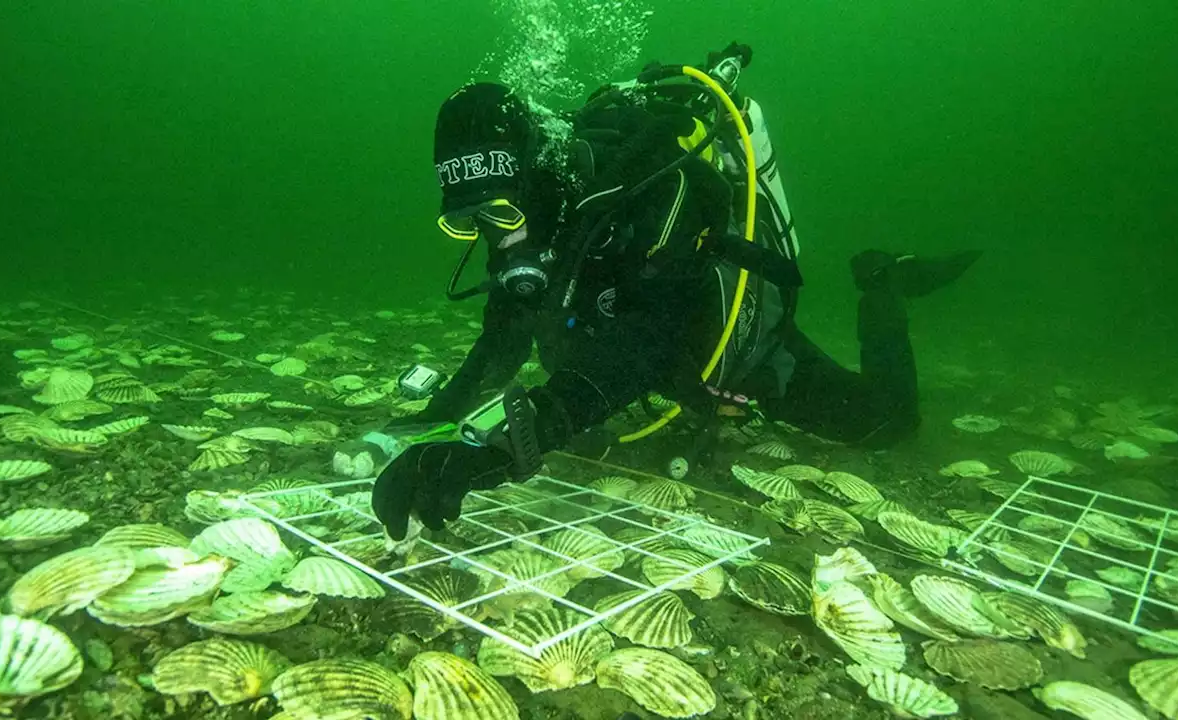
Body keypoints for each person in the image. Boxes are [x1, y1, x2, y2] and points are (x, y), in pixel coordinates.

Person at [371, 44, 980, 540]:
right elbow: (504, 337)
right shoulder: (529, 223)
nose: (493, 239)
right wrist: (435, 421)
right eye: (467, 222)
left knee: (887, 424)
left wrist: (502, 454)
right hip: (624, 356)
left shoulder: (647, 194)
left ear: (531, 174)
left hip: (721, 338)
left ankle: (882, 282)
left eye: (500, 215)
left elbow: (649, 345)